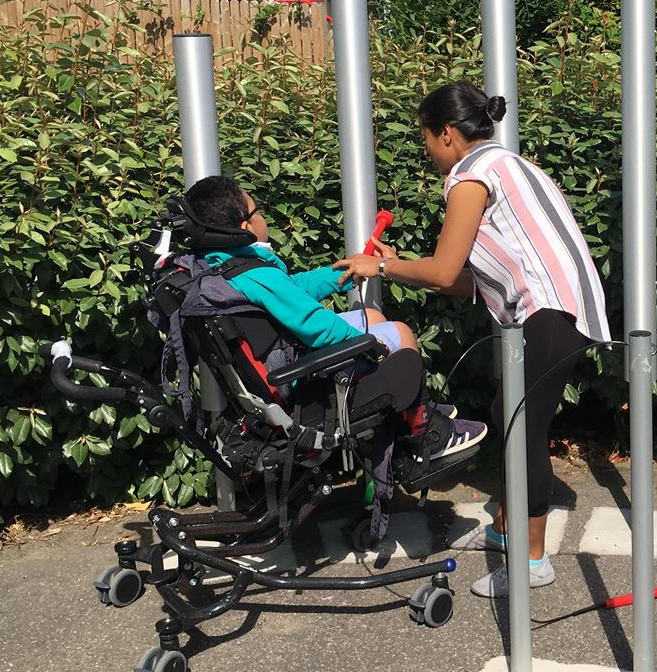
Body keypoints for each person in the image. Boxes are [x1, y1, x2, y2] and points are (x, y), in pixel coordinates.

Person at [335, 81, 610, 597]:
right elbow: (468, 281)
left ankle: (531, 562)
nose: (426, 152)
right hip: (563, 309)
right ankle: (506, 532)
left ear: (446, 134)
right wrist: (394, 265)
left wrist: (383, 265)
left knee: (520, 430)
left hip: (548, 312)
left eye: (425, 139)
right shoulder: (509, 164)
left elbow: (441, 273)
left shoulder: (471, 175)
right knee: (508, 412)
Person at [183, 175, 486, 459]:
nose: (263, 217)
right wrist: (369, 346)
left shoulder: (224, 266)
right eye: (257, 210)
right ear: (246, 226)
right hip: (301, 385)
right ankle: (424, 432)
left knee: (371, 314)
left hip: (281, 368)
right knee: (401, 334)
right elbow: (316, 327)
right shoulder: (257, 274)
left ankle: (414, 414)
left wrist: (341, 273)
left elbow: (291, 290)